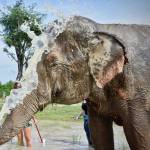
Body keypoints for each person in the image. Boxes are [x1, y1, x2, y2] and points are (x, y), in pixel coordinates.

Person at [13, 82, 33, 147]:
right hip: (17, 120)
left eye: (19, 88)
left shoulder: (26, 96)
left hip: (26, 118)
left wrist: (33, 117)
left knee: (28, 139)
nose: (18, 89)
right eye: (16, 88)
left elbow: (31, 108)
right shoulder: (12, 98)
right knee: (19, 139)